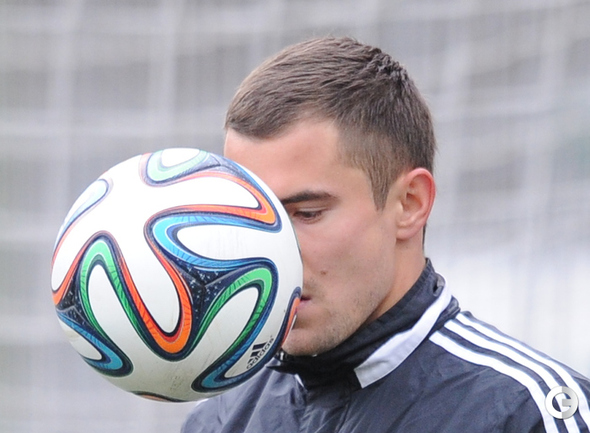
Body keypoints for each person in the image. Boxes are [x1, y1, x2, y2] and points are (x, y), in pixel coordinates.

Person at [182, 36, 590, 432]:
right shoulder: (218, 418)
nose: (271, 255)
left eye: (307, 213)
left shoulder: (528, 415)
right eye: (252, 218)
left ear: (410, 204)